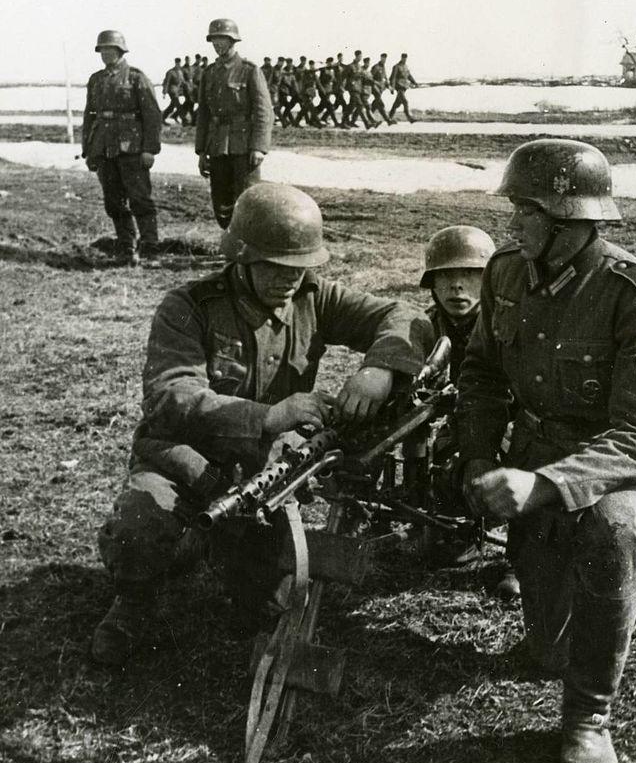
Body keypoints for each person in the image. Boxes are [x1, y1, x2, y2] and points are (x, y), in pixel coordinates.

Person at [458, 139, 636, 763]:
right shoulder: (505, 274)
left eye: (525, 210)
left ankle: (588, 719)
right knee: (550, 651)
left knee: (610, 529)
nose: (512, 223)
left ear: (568, 220)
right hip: (537, 460)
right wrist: (478, 454)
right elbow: (481, 374)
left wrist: (546, 484)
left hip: (627, 468)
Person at [91, 181, 434, 668]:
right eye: (276, 266)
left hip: (261, 475)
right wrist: (268, 417)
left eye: (301, 266)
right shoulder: (189, 306)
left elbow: (405, 315)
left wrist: (378, 369)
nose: (290, 278)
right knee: (140, 531)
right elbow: (170, 396)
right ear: (242, 258)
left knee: (268, 600)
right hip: (181, 462)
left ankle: (218, 548)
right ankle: (133, 602)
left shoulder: (314, 297)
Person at [420, 226, 519, 600]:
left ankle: (521, 556)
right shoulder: (428, 327)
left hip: (511, 428)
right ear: (432, 284)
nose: (456, 286)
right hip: (460, 429)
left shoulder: (508, 326)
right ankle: (454, 523)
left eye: (469, 275)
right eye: (445, 276)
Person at [81, 30, 162, 265]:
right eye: (102, 50)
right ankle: (126, 246)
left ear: (120, 51)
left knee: (140, 199)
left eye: (110, 49)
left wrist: (149, 149)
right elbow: (90, 116)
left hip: (132, 148)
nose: (105, 53)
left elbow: (152, 115)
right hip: (104, 147)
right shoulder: (96, 80)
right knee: (113, 201)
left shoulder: (136, 78)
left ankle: (150, 248)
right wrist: (88, 149)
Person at [195, 18, 273, 229]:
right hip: (216, 145)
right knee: (221, 201)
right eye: (214, 39)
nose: (217, 44)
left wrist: (259, 147)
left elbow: (264, 111)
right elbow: (203, 114)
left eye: (221, 39)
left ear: (232, 40)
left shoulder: (249, 70)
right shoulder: (209, 73)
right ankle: (230, 242)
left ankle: (248, 244)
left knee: (246, 199)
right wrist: (201, 151)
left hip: (243, 145)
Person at [389, 53, 418, 123]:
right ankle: (409, 118)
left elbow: (409, 76)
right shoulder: (396, 67)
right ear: (401, 58)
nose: (404, 59)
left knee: (396, 104)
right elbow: (393, 78)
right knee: (405, 101)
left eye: (405, 58)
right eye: (403, 58)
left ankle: (389, 118)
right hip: (399, 87)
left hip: (404, 87)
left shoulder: (406, 67)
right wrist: (392, 88)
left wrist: (414, 82)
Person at [370, 53, 395, 126]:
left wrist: (389, 87)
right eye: (383, 58)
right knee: (381, 104)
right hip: (375, 89)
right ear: (380, 58)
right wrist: (376, 83)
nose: (384, 60)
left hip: (380, 90)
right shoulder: (376, 67)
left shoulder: (383, 67)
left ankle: (369, 120)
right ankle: (388, 120)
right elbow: (370, 78)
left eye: (385, 58)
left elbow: (385, 79)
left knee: (375, 105)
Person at [161, 57, 185, 124]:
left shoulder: (180, 72)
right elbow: (167, 82)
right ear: (175, 63)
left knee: (172, 106)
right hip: (172, 90)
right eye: (177, 63)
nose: (178, 64)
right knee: (177, 104)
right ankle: (184, 119)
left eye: (179, 63)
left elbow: (182, 81)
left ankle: (162, 118)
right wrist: (164, 92)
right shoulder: (170, 72)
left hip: (177, 90)